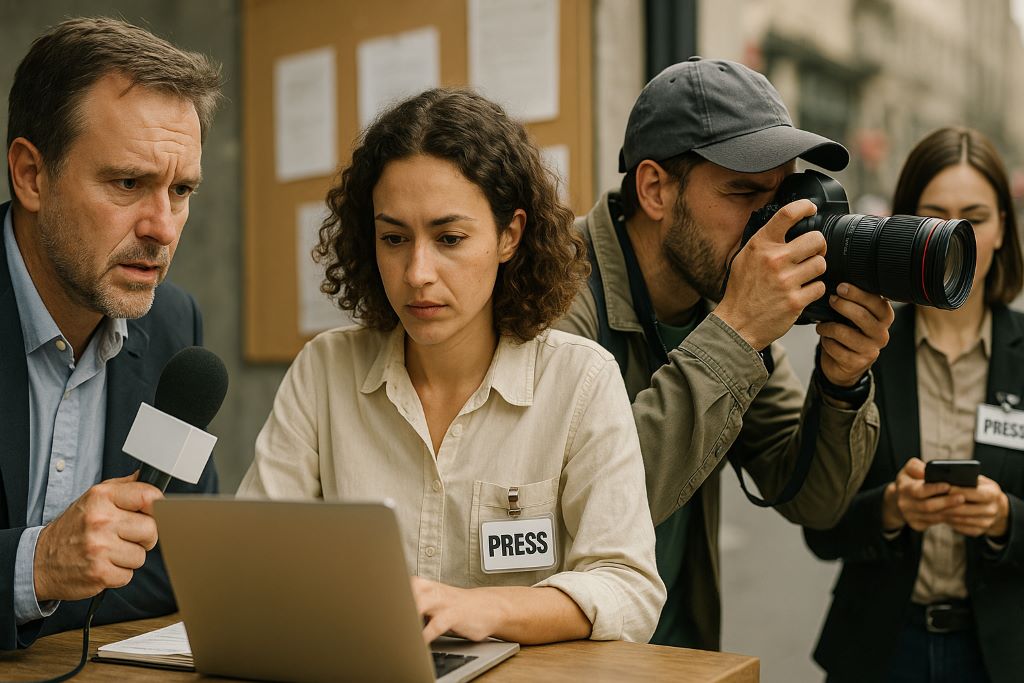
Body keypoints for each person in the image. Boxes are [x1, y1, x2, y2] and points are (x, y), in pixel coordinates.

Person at [237, 88, 666, 644]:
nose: (417, 272)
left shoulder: (580, 380)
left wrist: (488, 609)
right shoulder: (324, 369)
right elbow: (254, 561)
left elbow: (629, 590)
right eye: (394, 238)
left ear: (509, 235)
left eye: (450, 238)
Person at [554, 56, 895, 650]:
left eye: (781, 195)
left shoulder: (718, 294)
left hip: (679, 654)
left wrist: (843, 385)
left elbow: (815, 501)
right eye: (744, 193)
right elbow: (588, 506)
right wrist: (736, 332)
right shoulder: (556, 292)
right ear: (655, 189)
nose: (768, 222)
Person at [0, 18, 222, 649]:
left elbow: (182, 562)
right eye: (128, 183)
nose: (163, 228)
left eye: (181, 190)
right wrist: (35, 566)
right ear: (31, 175)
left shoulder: (175, 324)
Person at [805, 126, 1024, 683]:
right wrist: (890, 509)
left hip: (1001, 655)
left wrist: (1005, 519)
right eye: (936, 215)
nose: (957, 235)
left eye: (975, 217)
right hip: (879, 649)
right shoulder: (860, 347)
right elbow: (819, 525)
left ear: (1003, 228)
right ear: (907, 228)